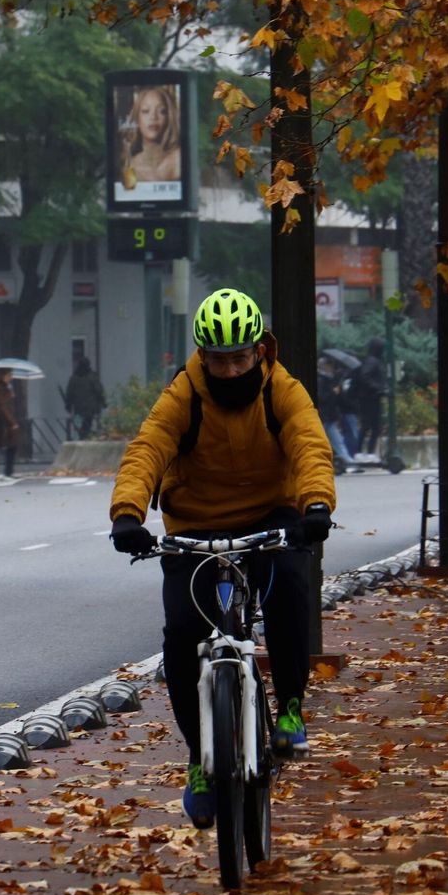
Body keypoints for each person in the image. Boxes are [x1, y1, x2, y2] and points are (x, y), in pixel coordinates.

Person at [109, 288, 336, 828]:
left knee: (289, 586)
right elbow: (148, 449)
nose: (230, 371)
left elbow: (309, 444)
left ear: (259, 351)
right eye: (219, 360)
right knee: (182, 634)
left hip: (270, 514)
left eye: (240, 357)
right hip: (197, 524)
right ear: (203, 357)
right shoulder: (181, 396)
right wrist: (127, 514)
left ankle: (290, 710)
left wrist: (316, 504)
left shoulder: (283, 389)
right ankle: (199, 762)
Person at [119, 85, 181, 188]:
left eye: (162, 111)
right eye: (146, 111)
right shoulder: (130, 166)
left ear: (170, 117)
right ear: (137, 119)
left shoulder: (178, 159)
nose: (153, 117)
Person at [315, 355, 356, 473]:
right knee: (334, 441)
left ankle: (346, 461)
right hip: (325, 415)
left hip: (329, 415)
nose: (332, 368)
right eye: (330, 365)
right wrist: (333, 392)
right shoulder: (321, 380)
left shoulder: (328, 380)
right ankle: (347, 461)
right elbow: (322, 398)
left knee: (336, 440)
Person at [351, 337, 389, 456]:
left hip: (371, 398)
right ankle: (364, 453)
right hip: (370, 399)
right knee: (369, 426)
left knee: (371, 426)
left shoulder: (372, 360)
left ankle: (365, 453)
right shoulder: (372, 362)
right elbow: (365, 376)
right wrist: (378, 387)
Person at [64, 356, 107, 440]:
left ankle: (79, 440)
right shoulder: (92, 377)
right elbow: (99, 391)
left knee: (78, 427)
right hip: (89, 408)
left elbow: (69, 394)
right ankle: (83, 438)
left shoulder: (74, 378)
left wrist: (68, 405)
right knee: (86, 426)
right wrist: (103, 402)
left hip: (79, 408)